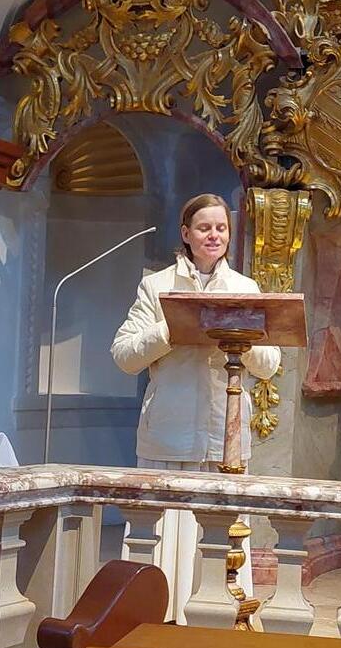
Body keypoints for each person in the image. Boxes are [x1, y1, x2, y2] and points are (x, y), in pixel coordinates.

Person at [110, 193, 281, 622]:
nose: (214, 235)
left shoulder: (244, 288)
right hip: (169, 436)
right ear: (186, 234)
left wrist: (239, 335)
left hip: (224, 442)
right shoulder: (156, 286)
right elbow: (124, 356)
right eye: (204, 228)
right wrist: (170, 329)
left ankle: (219, 621)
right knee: (162, 541)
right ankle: (153, 620)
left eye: (221, 228)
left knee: (222, 541)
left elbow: (269, 364)